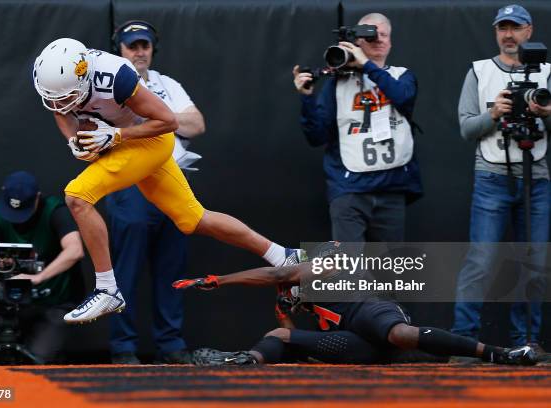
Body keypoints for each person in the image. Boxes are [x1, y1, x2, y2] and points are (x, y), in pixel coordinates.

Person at [32, 38, 303, 325]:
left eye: (64, 96)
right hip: (125, 142)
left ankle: (107, 289)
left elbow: (168, 122)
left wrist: (116, 136)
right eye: (54, 97)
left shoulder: (116, 77)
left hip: (151, 140)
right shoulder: (60, 81)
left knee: (77, 196)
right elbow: (60, 109)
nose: (59, 103)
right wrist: (74, 140)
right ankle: (281, 254)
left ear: (85, 76)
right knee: (193, 218)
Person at [173, 242, 537, 366]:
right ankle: (246, 360)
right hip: (357, 342)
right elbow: (290, 341)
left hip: (371, 312)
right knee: (275, 336)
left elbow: (273, 276)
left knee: (397, 333)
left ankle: (497, 352)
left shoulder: (329, 265)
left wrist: (219, 280)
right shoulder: (300, 300)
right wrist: (285, 316)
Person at [452, 4, 551, 355]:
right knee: (481, 260)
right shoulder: (479, 72)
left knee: (536, 262)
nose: (509, 35)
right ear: (496, 32)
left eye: (516, 27)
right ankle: (463, 341)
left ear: (529, 31)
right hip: (492, 175)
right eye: (502, 28)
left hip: (536, 178)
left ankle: (526, 341)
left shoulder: (547, 73)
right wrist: (494, 113)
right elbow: (466, 129)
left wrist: (545, 113)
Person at [105, 21, 205, 365]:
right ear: (119, 48)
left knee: (172, 268)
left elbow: (197, 124)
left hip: (173, 179)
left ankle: (171, 343)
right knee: (125, 269)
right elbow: (119, 125)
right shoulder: (109, 81)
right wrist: (165, 120)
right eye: (132, 46)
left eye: (144, 45)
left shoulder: (166, 83)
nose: (139, 51)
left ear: (152, 48)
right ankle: (123, 346)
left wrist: (158, 117)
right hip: (130, 183)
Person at [292, 13, 421, 244]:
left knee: (389, 270)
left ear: (391, 42)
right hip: (349, 188)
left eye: (384, 35)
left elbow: (402, 97)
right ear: (358, 42)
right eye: (371, 35)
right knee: (349, 269)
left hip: (391, 187)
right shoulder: (337, 84)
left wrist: (368, 66)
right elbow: (316, 136)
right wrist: (307, 98)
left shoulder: (402, 76)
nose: (378, 39)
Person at [0, 171, 85, 364]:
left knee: (39, 358)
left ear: (38, 198)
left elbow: (75, 250)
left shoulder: (55, 211)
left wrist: (38, 277)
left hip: (54, 301)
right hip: (12, 302)